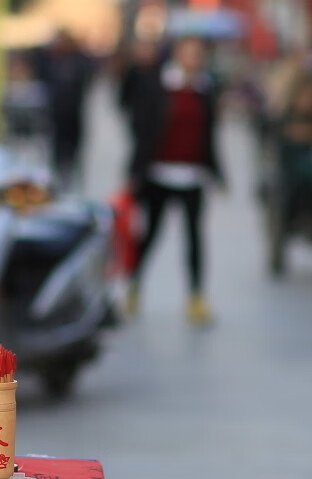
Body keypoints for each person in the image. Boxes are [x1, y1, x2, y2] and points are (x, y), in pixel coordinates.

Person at [126, 36, 224, 326]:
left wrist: (217, 172)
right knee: (150, 235)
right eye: (188, 53)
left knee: (194, 239)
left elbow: (209, 135)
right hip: (159, 173)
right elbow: (143, 132)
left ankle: (196, 296)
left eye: (198, 54)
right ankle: (133, 286)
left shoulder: (205, 90)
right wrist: (136, 171)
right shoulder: (159, 87)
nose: (193, 59)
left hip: (192, 176)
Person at [33, 31, 94, 191]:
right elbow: (39, 65)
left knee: (73, 150)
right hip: (56, 114)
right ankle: (58, 178)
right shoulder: (52, 60)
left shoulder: (78, 61)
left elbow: (88, 73)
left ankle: (72, 178)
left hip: (74, 113)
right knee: (57, 149)